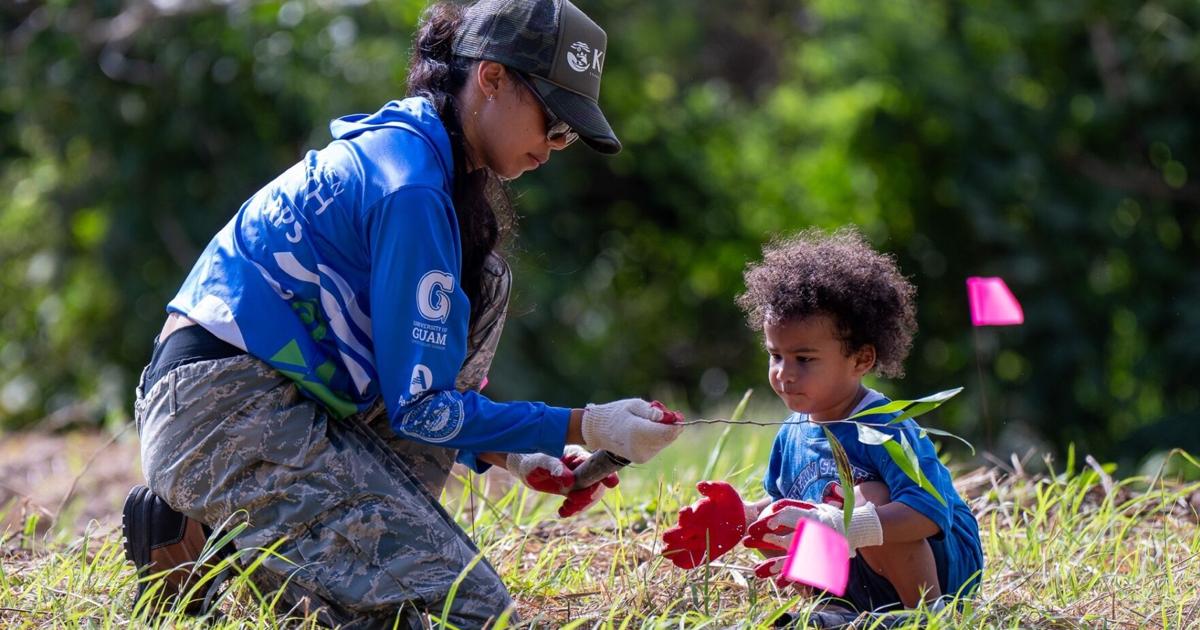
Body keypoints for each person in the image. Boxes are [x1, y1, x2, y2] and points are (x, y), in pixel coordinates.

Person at [121, 0, 684, 626]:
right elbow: (422, 410)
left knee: (488, 280)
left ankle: (199, 529)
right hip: (225, 406)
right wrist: (589, 424)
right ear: (491, 76)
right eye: (552, 120)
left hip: (271, 401)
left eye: (567, 134)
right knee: (466, 611)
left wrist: (522, 453)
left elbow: (416, 387)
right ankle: (208, 525)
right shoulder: (412, 186)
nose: (553, 147)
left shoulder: (424, 159)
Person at [660, 227, 983, 619]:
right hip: (864, 575)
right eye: (775, 356)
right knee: (777, 518)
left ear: (861, 360)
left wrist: (839, 524)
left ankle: (928, 615)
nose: (784, 374)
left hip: (943, 569)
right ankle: (836, 608)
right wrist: (743, 516)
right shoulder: (791, 432)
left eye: (804, 359)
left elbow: (928, 513)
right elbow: (786, 503)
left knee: (866, 497)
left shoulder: (884, 427)